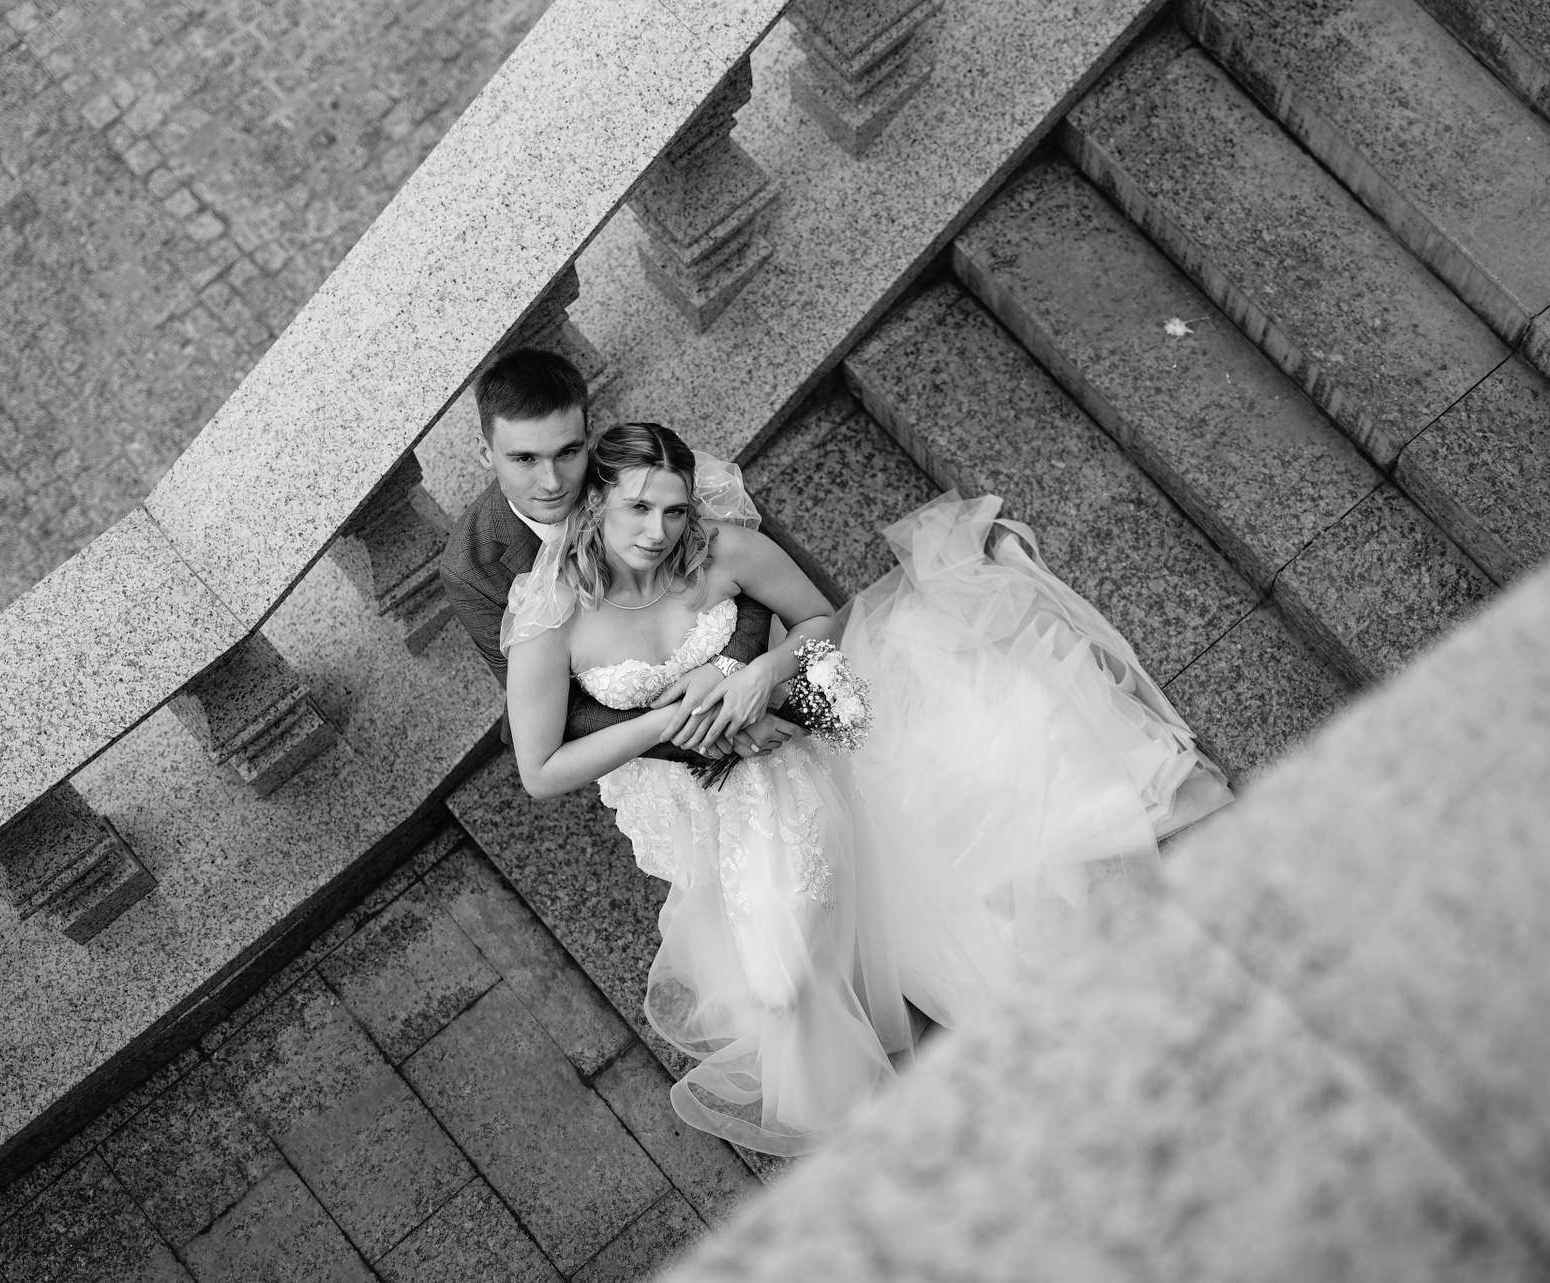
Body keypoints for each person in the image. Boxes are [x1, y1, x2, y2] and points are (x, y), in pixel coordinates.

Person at [502, 421, 1233, 1155]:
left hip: (778, 776)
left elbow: (822, 619)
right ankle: (864, 1006)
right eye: (638, 508)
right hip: (678, 808)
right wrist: (673, 720)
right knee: (799, 928)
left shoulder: (723, 551)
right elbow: (541, 770)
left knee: (784, 976)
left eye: (673, 509)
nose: (657, 531)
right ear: (596, 501)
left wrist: (757, 671)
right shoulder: (554, 615)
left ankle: (870, 1121)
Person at [439, 348, 792, 759]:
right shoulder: (470, 568)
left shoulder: (629, 467)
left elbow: (744, 570)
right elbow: (560, 708)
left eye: (568, 452)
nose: (552, 482)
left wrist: (729, 669)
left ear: (588, 434)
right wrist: (705, 729)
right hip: (632, 740)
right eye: (524, 458)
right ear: (486, 452)